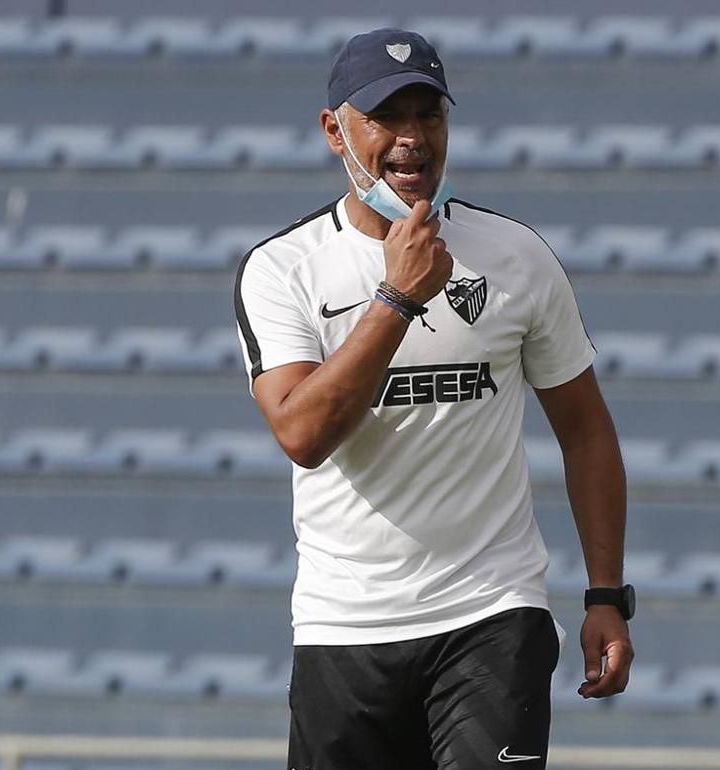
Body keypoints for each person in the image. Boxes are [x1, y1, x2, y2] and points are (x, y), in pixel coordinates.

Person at [232, 27, 634, 770]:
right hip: (344, 629)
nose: (411, 139)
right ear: (334, 131)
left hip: (492, 615)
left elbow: (585, 431)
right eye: (388, 117)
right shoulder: (281, 270)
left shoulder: (514, 256)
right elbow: (302, 434)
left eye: (429, 115)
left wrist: (606, 593)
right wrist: (397, 297)